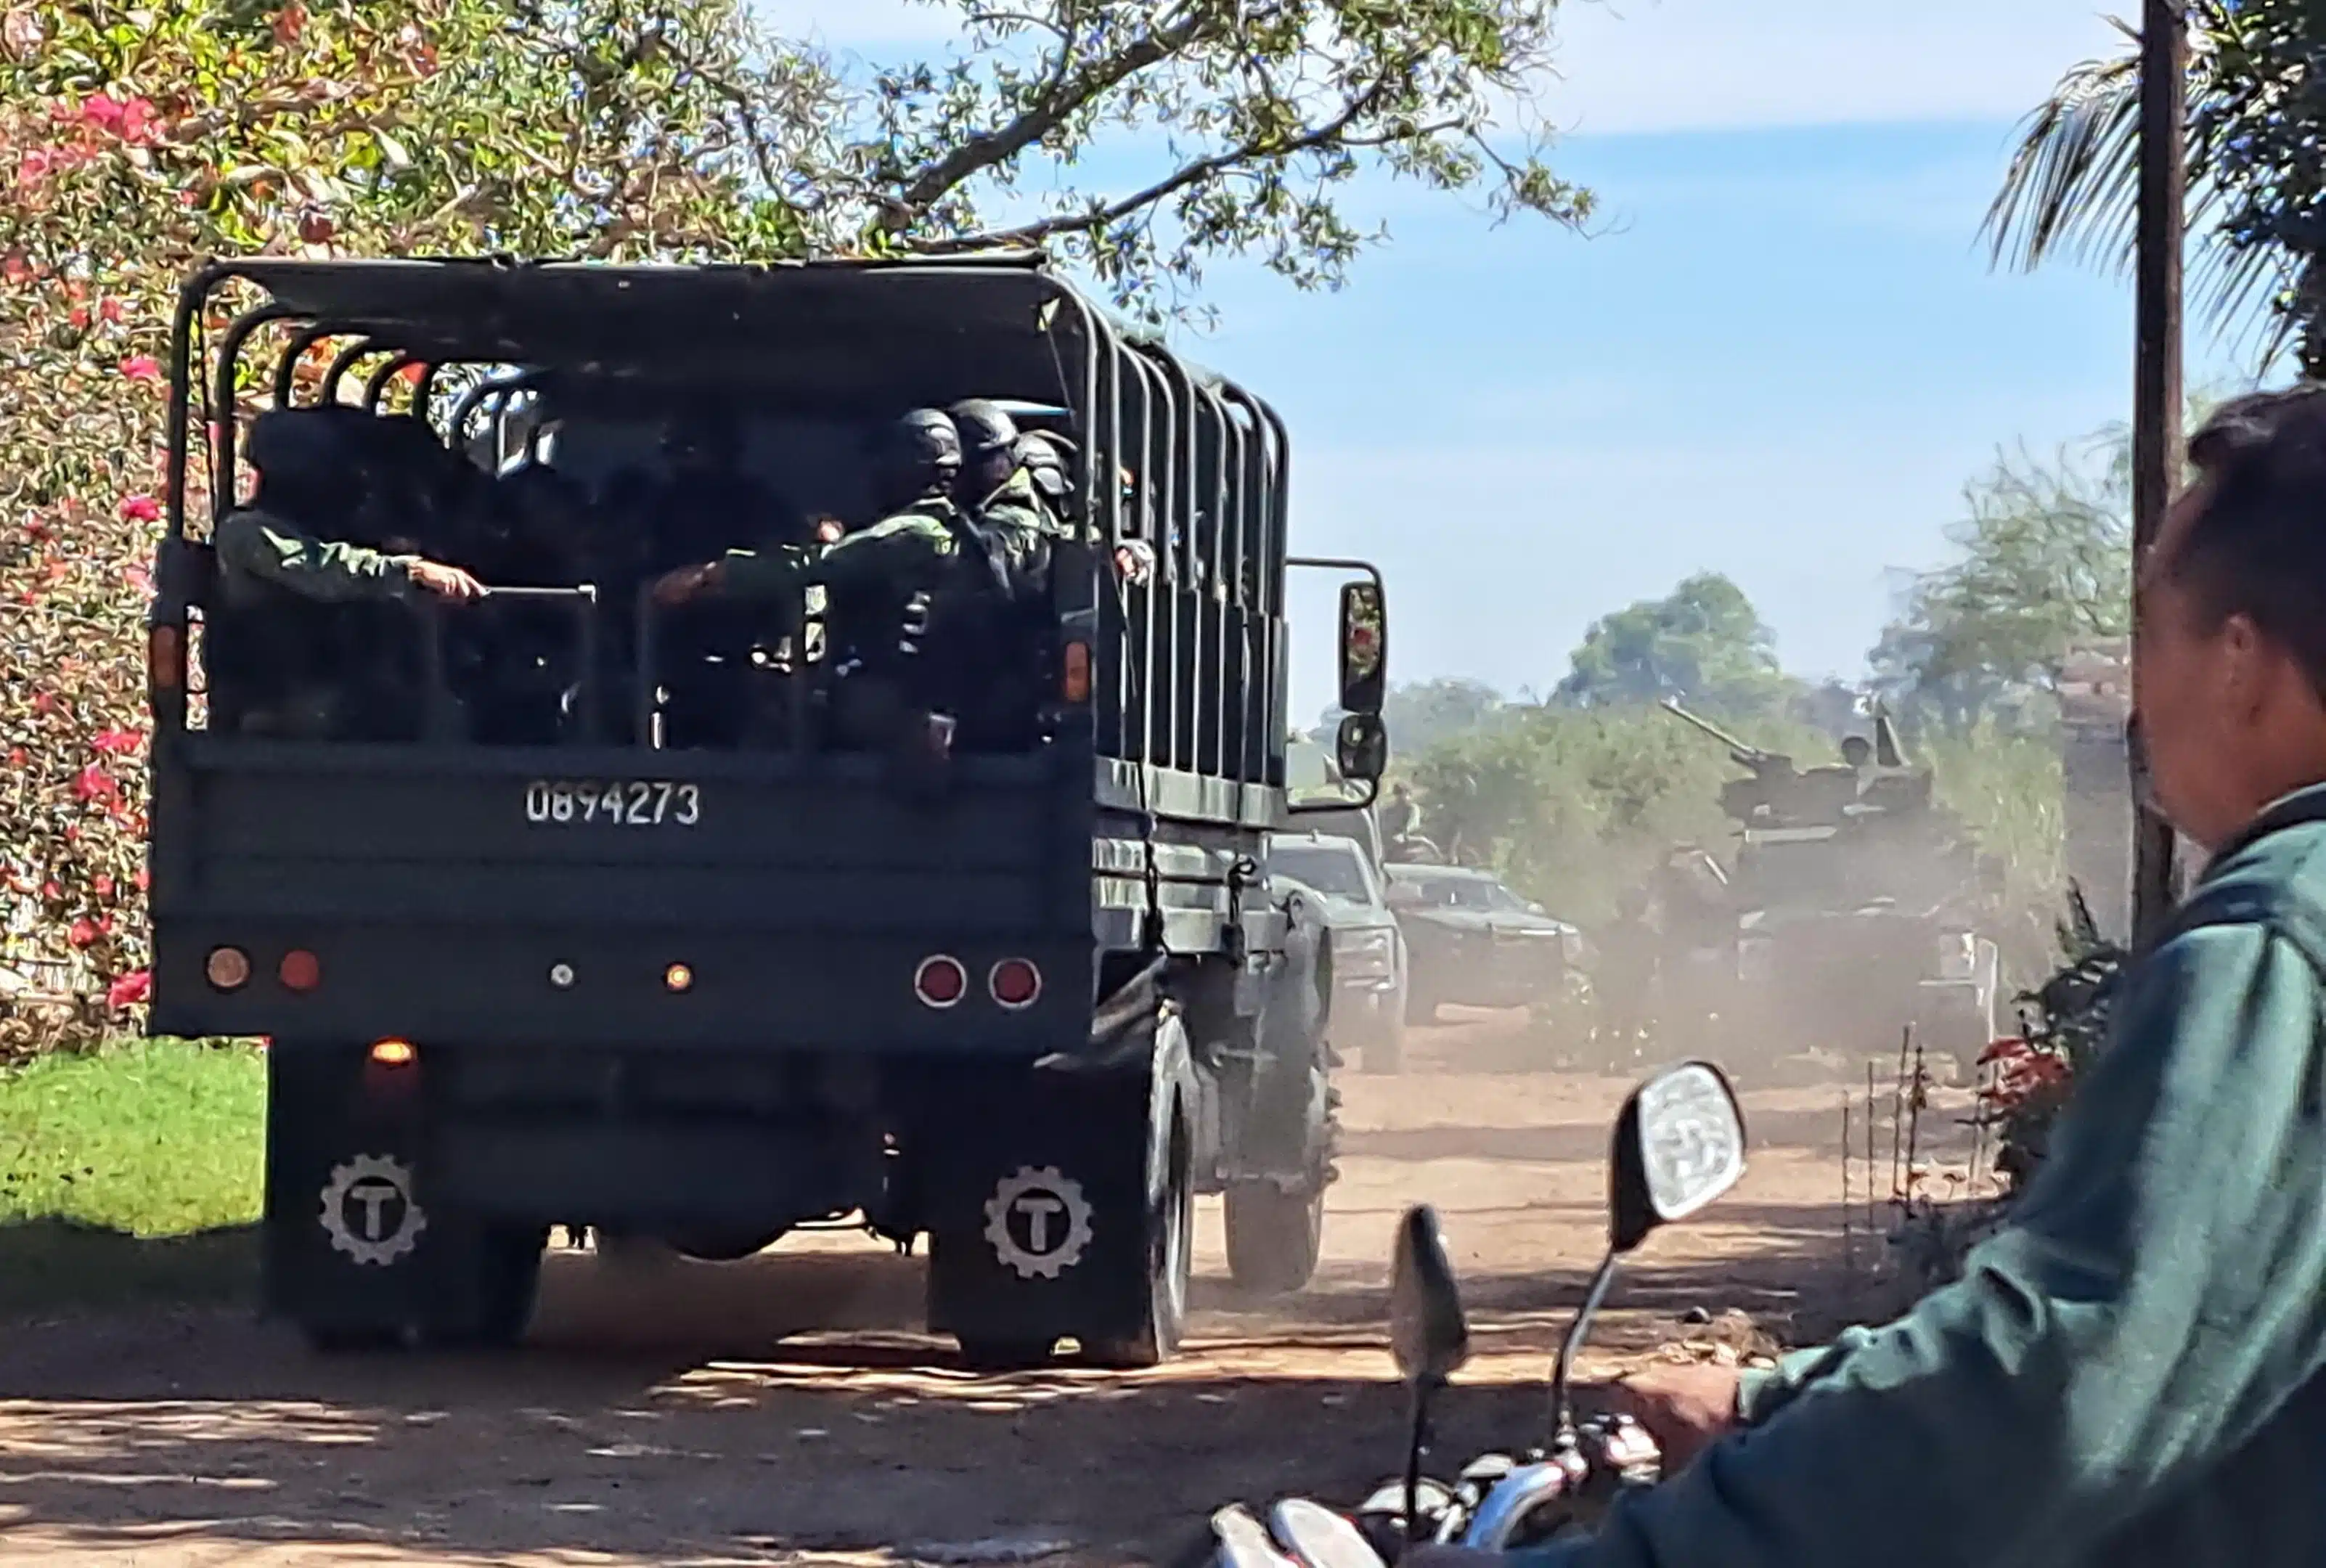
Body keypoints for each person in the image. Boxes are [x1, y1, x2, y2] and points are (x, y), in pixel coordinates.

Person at [1411, 385, 2326, 1568]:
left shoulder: (2270, 949)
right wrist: (1770, 1403)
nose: (2135, 699)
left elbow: (2049, 1387)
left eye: (2149, 640)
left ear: (2239, 664)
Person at [651, 409, 1017, 748]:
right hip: (927, 694)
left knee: (769, 698)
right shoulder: (951, 527)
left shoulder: (911, 532)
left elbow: (811, 567)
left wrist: (709, 577)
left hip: (895, 695)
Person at [209, 409, 482, 738]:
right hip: (287, 698)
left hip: (331, 685)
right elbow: (322, 566)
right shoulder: (246, 531)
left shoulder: (321, 524)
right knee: (408, 715)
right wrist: (410, 569)